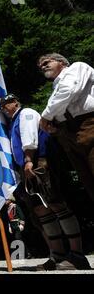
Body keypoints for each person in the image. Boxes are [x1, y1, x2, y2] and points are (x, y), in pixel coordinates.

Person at [0, 93, 91, 270]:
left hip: (38, 162)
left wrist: (28, 160)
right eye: (2, 106)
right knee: (41, 209)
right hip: (28, 166)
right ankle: (57, 255)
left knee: (55, 203)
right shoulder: (12, 123)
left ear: (16, 102)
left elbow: (30, 138)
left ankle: (77, 255)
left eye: (7, 103)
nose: (4, 107)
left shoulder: (26, 113)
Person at [38, 53, 94, 201]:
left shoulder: (76, 68)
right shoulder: (55, 90)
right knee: (89, 182)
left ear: (61, 61)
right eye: (41, 66)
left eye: (46, 62)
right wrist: (55, 127)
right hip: (69, 134)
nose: (43, 67)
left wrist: (46, 116)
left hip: (89, 125)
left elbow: (69, 90)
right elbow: (59, 104)